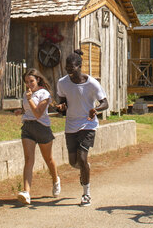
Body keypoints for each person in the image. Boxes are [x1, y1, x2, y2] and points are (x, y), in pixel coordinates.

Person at [54, 49, 108, 207]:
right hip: (71, 124)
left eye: (72, 67)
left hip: (88, 124)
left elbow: (105, 102)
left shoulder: (91, 83)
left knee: (82, 157)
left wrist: (96, 110)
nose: (69, 70)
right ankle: (85, 170)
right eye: (67, 67)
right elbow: (63, 101)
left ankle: (86, 194)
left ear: (79, 66)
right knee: (73, 162)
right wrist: (61, 107)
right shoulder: (62, 82)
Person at [14, 69, 61, 205]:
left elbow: (38, 113)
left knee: (49, 159)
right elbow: (28, 109)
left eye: (31, 81)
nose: (29, 84)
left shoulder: (44, 94)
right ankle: (26, 192)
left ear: (38, 80)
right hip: (28, 128)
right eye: (27, 82)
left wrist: (29, 99)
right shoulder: (26, 94)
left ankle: (55, 179)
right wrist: (21, 110)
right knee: (29, 160)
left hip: (42, 128)